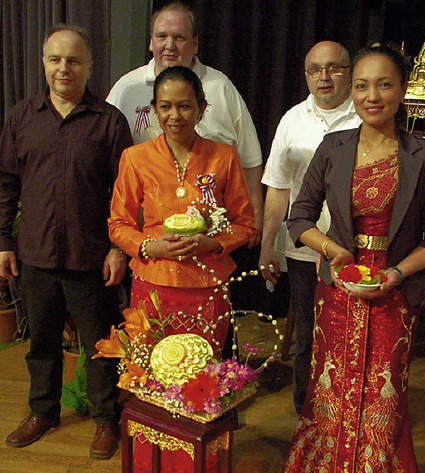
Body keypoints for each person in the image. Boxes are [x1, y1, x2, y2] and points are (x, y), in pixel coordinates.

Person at [283, 42, 425, 472]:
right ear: (352, 91)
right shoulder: (334, 146)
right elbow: (298, 218)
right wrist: (334, 251)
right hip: (337, 289)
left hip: (394, 293)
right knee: (330, 391)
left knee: (383, 397)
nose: (372, 96)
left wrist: (395, 272)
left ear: (403, 89)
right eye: (362, 86)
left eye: (384, 84)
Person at [108, 65, 255, 471]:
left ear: (202, 108)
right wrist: (146, 245)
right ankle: (152, 461)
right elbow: (117, 224)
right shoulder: (135, 158)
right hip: (153, 289)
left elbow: (245, 224)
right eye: (166, 107)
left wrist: (214, 242)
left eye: (185, 106)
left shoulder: (223, 157)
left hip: (207, 287)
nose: (175, 116)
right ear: (154, 110)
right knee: (153, 380)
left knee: (201, 380)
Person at [0, 25, 132, 459]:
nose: (63, 68)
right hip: (35, 254)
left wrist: (118, 248)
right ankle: (43, 411)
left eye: (73, 60)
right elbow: (6, 185)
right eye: (55, 59)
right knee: (41, 344)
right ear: (44, 64)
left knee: (100, 346)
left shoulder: (110, 121)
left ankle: (105, 419)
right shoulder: (21, 117)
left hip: (91, 257)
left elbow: (125, 194)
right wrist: (3, 241)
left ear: (89, 66)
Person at [259, 40, 362, 413]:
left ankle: (348, 414)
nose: (324, 77)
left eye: (334, 68)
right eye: (315, 69)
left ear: (349, 73)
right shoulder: (292, 119)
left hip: (357, 248)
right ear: (305, 75)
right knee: (308, 335)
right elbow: (278, 186)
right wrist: (268, 244)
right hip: (304, 248)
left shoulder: (366, 116)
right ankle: (308, 414)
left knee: (350, 336)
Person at [106, 1, 263, 244]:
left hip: (211, 240)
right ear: (151, 42)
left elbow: (250, 161)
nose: (169, 45)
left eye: (179, 37)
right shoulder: (126, 88)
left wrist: (255, 223)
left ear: (195, 43)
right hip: (146, 237)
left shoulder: (221, 87)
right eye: (161, 36)